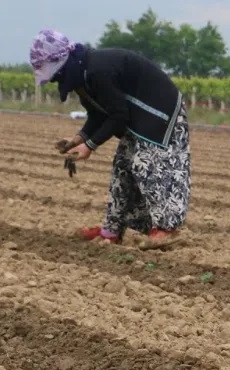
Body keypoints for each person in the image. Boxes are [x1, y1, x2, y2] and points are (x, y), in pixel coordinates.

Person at [29, 29, 191, 249]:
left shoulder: (97, 71)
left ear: (60, 64)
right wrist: (78, 139)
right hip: (137, 116)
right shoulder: (83, 75)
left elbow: (118, 115)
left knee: (147, 163)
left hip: (161, 112)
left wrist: (90, 146)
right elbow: (98, 114)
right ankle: (111, 231)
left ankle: (166, 228)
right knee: (122, 167)